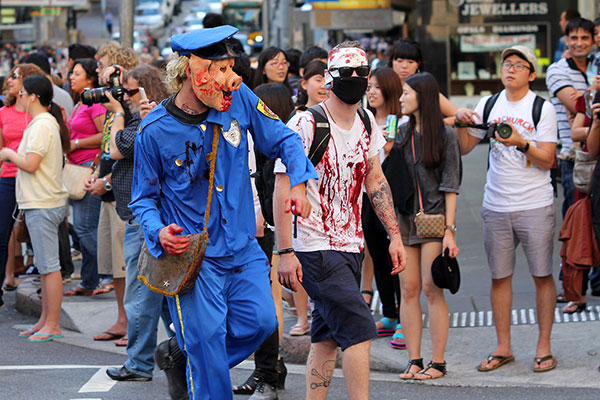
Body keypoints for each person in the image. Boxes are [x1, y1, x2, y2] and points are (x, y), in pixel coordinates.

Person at [127, 26, 317, 399]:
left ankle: (186, 358)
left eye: (232, 68)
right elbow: (142, 199)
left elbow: (284, 139)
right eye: (222, 69)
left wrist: (298, 181)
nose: (234, 79)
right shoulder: (153, 130)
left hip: (242, 246)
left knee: (261, 322)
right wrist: (158, 231)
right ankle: (199, 359)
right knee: (207, 340)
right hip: (194, 257)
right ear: (190, 71)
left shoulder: (240, 97)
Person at [274, 41, 406, 400]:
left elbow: (375, 179)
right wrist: (284, 251)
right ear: (329, 78)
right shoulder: (305, 123)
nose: (354, 79)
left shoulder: (365, 121)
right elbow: (282, 187)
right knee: (361, 331)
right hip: (315, 247)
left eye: (360, 74)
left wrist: (394, 235)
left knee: (327, 337)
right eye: (345, 73)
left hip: (351, 244)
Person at [455, 46, 558, 373]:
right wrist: (460, 121)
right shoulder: (488, 103)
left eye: (518, 65)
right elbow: (466, 148)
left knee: (542, 275)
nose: (510, 69)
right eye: (506, 64)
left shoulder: (543, 109)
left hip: (535, 203)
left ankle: (544, 346)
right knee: (500, 277)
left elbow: (549, 160)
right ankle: (504, 346)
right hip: (495, 203)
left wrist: (521, 142)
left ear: (531, 73)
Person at [103, 64, 174, 382]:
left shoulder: (148, 120)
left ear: (148, 90)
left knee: (141, 296)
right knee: (159, 296)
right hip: (146, 218)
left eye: (129, 91)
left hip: (145, 220)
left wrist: (117, 112)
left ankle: (139, 364)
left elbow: (113, 148)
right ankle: (181, 353)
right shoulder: (146, 119)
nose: (124, 97)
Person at [393, 72, 461, 380]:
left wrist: (450, 230)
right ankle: (414, 360)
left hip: (434, 219)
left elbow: (451, 185)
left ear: (424, 96)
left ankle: (438, 362)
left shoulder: (445, 135)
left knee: (432, 289)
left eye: (407, 93)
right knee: (408, 290)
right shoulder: (401, 130)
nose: (402, 98)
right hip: (405, 219)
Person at [231, 82, 294, 398]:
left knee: (267, 304)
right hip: (266, 231)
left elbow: (265, 195)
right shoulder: (267, 142)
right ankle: (268, 369)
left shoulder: (271, 145)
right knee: (266, 303)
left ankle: (269, 369)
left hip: (268, 232)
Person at [0, 74, 71, 342]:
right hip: (39, 201)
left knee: (49, 266)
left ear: (32, 96)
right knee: (44, 266)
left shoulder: (42, 124)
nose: (18, 98)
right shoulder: (41, 122)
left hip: (44, 202)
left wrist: (8, 154)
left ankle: (52, 323)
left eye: (21, 94)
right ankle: (45, 319)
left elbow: (31, 164)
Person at [86, 44, 139, 344]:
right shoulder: (111, 106)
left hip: (123, 194)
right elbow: (107, 148)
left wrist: (105, 181)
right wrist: (97, 173)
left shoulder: (129, 107)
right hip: (109, 192)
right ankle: (122, 319)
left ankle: (133, 323)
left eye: (101, 64)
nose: (97, 70)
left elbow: (126, 150)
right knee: (115, 266)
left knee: (127, 264)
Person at [365, 66, 406, 349]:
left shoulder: (401, 122)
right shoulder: (363, 119)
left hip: (396, 198)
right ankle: (390, 314)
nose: (371, 91)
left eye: (377, 87)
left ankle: (405, 317)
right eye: (369, 86)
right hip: (366, 199)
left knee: (397, 257)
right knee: (378, 255)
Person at [0, 63, 44, 299]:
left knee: (36, 232)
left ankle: (41, 277)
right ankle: (5, 280)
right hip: (8, 177)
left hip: (34, 178)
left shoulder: (40, 112)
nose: (9, 80)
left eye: (15, 77)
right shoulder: (3, 112)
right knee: (2, 232)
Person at [63, 58, 106, 296]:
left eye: (77, 73)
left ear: (90, 78)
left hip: (90, 168)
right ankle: (90, 280)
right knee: (83, 228)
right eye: (72, 73)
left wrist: (75, 143)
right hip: (78, 167)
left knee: (85, 227)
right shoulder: (81, 102)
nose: (71, 76)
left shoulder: (96, 102)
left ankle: (107, 274)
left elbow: (104, 136)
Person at [546, 17, 595, 217]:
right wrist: (592, 92)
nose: (579, 42)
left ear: (593, 40)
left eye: (585, 37)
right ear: (566, 40)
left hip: (597, 153)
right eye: (573, 37)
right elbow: (575, 105)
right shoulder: (557, 70)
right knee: (576, 224)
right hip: (574, 157)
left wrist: (586, 95)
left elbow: (582, 107)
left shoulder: (596, 65)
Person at [387, 39, 456, 125]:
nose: (404, 66)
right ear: (391, 62)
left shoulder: (425, 89)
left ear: (418, 64)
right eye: (399, 61)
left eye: (410, 62)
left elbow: (456, 116)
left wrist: (432, 127)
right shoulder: (384, 87)